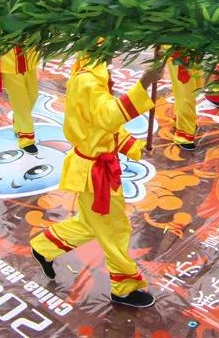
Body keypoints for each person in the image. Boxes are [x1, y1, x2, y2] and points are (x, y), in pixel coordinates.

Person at [29, 53, 161, 308]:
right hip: (96, 173)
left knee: (92, 223)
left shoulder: (92, 69)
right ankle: (124, 288)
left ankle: (44, 246)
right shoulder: (89, 79)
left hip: (95, 164)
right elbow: (108, 117)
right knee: (115, 230)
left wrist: (132, 145)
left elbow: (99, 127)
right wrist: (144, 83)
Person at [0, 45, 41, 153]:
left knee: (33, 96)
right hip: (9, 63)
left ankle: (18, 122)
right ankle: (27, 139)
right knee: (21, 102)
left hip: (30, 59)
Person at [166, 50, 202, 151]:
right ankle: (184, 134)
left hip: (194, 44)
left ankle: (178, 118)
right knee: (186, 90)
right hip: (180, 45)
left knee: (194, 85)